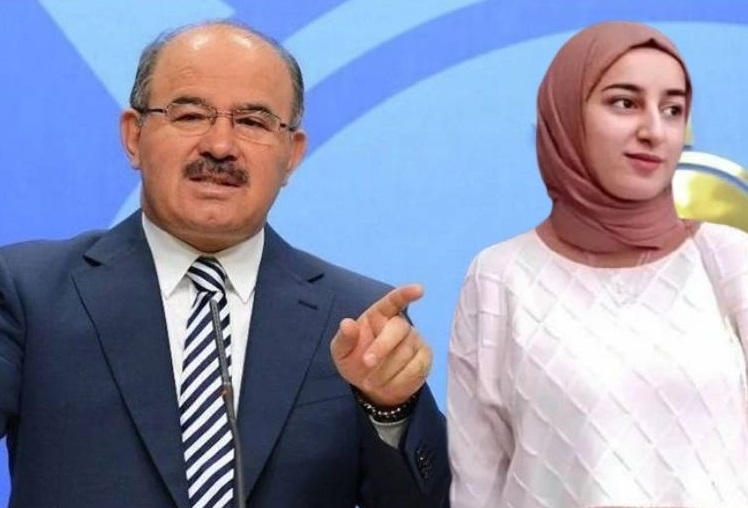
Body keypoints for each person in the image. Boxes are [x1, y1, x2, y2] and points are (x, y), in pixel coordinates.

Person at [0, 20, 450, 507]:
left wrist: (390, 410)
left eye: (253, 122)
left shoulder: (358, 318)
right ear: (134, 136)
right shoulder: (29, 292)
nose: (219, 146)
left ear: (292, 155)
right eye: (190, 115)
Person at [447, 20, 748, 508]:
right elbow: (478, 484)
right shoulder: (500, 276)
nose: (654, 131)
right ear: (566, 115)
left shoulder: (729, 258)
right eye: (625, 103)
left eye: (672, 110)